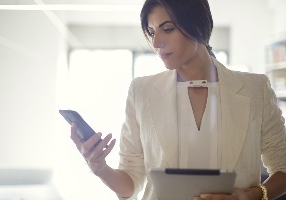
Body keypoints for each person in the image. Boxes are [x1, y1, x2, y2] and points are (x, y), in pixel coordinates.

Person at [70, 0, 286, 199]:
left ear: (198, 27)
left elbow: (283, 167)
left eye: (167, 29)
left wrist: (251, 196)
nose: (156, 42)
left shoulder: (255, 89)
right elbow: (131, 182)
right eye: (151, 31)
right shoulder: (141, 92)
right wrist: (100, 168)